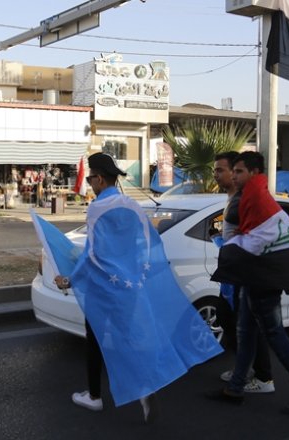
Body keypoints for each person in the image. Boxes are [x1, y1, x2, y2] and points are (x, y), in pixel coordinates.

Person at [53, 153, 222, 424]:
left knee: (96, 340)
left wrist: (70, 279)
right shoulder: (132, 205)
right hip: (130, 287)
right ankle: (145, 386)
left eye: (89, 178)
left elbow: (93, 254)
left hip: (103, 288)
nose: (89, 183)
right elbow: (148, 244)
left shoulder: (98, 207)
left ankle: (94, 397)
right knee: (130, 337)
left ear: (98, 178)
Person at [207, 151, 289, 416]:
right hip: (255, 273)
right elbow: (252, 230)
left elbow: (260, 236)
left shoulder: (252, 198)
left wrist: (238, 241)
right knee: (245, 331)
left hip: (264, 274)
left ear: (253, 173)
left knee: (274, 333)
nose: (233, 176)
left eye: (238, 171)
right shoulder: (248, 196)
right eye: (232, 171)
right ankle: (235, 388)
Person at [212, 151, 276, 394]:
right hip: (231, 271)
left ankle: (264, 377)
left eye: (222, 170)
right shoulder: (233, 198)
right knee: (229, 319)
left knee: (251, 325)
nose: (216, 175)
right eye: (215, 170)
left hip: (243, 273)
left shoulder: (245, 200)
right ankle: (244, 368)